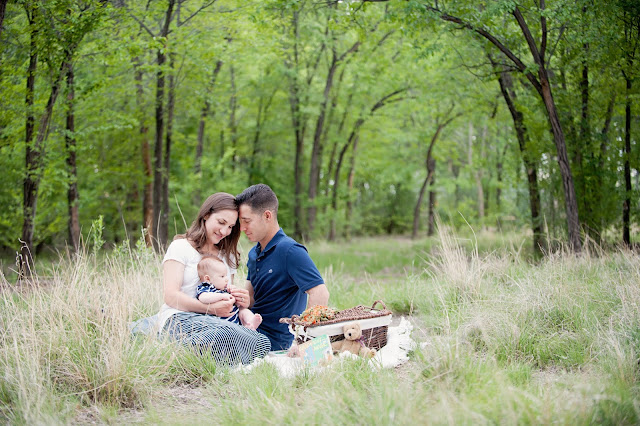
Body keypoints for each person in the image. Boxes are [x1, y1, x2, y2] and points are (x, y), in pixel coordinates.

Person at [157, 192, 271, 365]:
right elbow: (171, 296)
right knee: (226, 334)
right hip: (180, 318)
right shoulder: (180, 247)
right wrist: (210, 309)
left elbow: (226, 294)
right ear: (206, 215)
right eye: (221, 222)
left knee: (262, 342)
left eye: (231, 227)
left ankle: (203, 357)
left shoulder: (227, 257)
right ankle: (176, 351)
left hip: (218, 323)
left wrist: (241, 302)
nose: (224, 231)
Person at [235, 183, 330, 350]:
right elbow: (251, 299)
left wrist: (304, 341)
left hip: (275, 341)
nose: (242, 228)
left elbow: (320, 293)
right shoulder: (253, 253)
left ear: (267, 216)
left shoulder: (290, 251)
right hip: (250, 329)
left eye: (247, 221)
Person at [195, 255, 263, 330]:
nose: (227, 279)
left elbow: (236, 304)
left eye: (226, 275)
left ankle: (251, 322)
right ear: (208, 279)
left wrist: (235, 294)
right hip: (219, 324)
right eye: (222, 276)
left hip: (235, 319)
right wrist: (221, 296)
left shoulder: (224, 290)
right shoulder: (206, 288)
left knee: (244, 311)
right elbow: (203, 298)